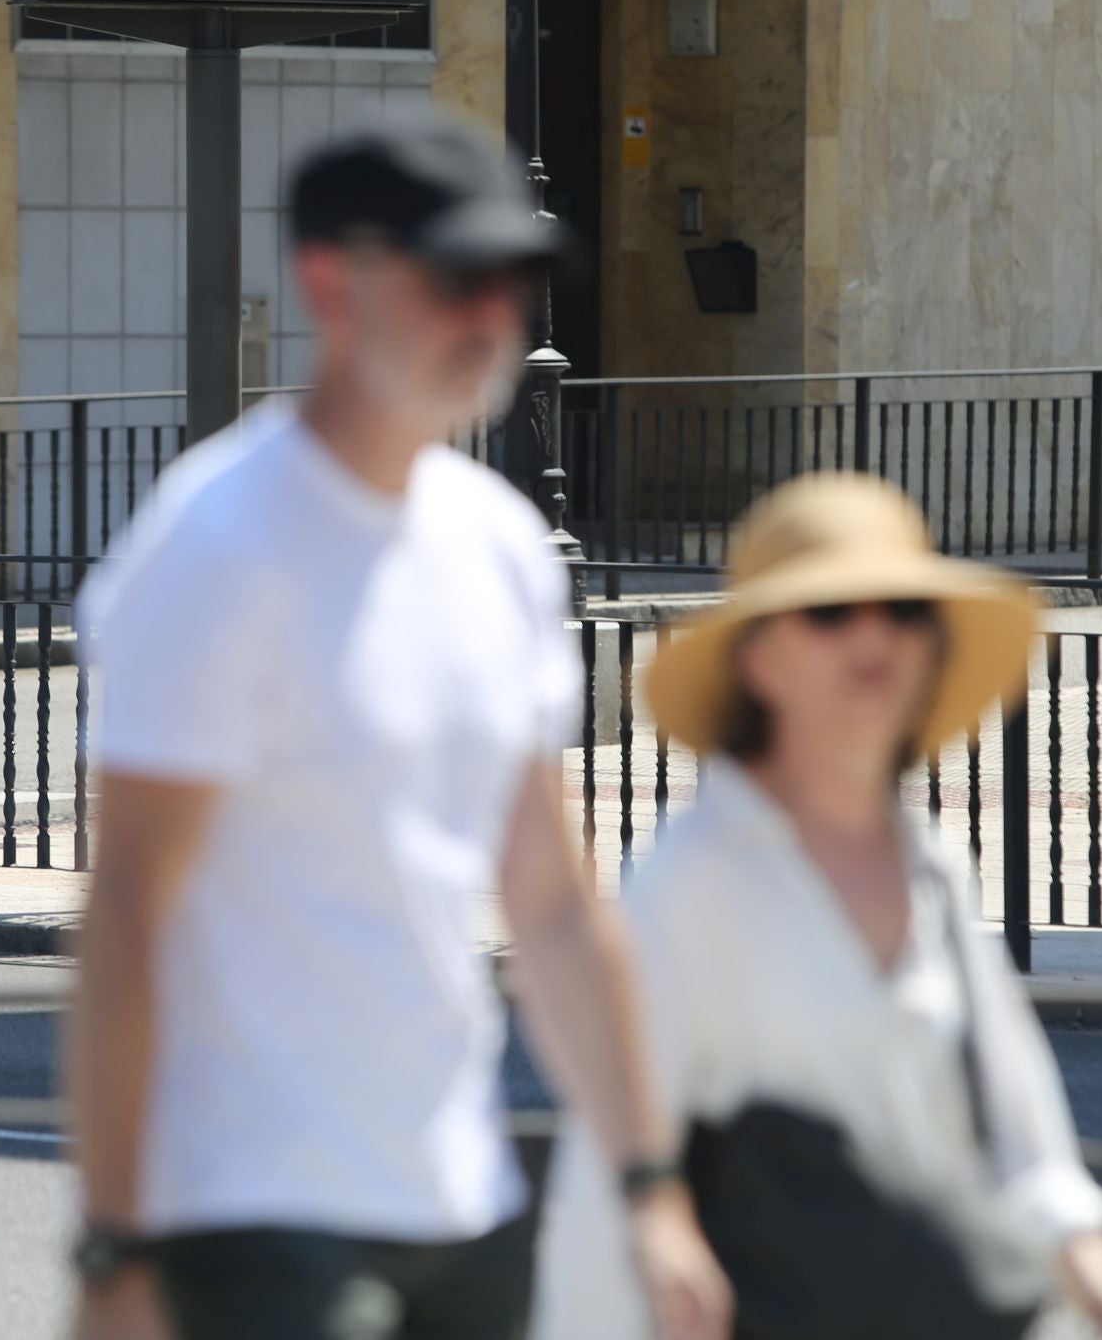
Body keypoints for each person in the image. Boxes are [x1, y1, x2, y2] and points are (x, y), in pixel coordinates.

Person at [66, 116, 730, 1340]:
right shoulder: (216, 547)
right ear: (331, 280)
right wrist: (114, 1246)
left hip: (456, 1199)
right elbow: (127, 915)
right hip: (251, 1208)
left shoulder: (499, 547)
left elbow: (553, 903)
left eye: (511, 280)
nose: (493, 317)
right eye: (453, 278)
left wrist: (650, 1188)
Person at [532, 473, 1102, 1340]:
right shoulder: (697, 879)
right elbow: (620, 1172)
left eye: (903, 608)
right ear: (757, 659)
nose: (875, 634)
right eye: (831, 612)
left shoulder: (931, 864)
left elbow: (1016, 1119)